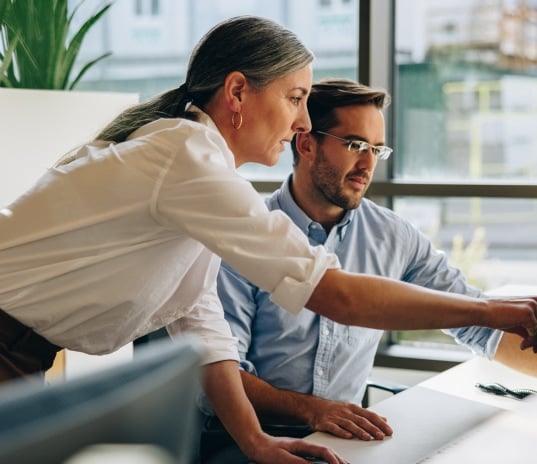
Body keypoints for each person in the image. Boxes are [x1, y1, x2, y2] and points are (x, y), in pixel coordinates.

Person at [0, 15, 536, 464]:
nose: (302, 120)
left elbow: (201, 323)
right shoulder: (187, 160)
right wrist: (494, 311)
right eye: (295, 97)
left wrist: (255, 441)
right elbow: (337, 296)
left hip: (22, 353)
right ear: (237, 92)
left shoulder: (195, 171)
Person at [198, 77, 537, 458]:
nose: (368, 164)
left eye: (377, 149)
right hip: (247, 438)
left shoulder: (392, 236)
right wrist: (313, 410)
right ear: (307, 143)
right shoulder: (244, 234)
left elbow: (476, 323)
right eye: (356, 145)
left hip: (344, 439)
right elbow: (222, 373)